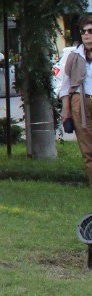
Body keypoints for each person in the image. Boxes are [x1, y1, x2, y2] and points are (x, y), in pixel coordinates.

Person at [54, 19, 92, 192]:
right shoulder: (74, 55)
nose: (86, 35)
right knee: (87, 150)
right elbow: (65, 84)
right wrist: (66, 109)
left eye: (90, 31)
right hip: (81, 102)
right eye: (83, 32)